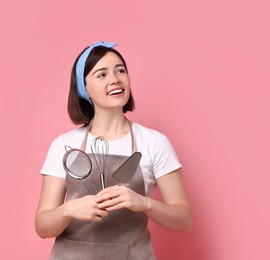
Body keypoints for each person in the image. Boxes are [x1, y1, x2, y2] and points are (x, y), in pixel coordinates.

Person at [35, 41, 193, 259]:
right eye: (102, 75)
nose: (115, 79)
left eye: (120, 70)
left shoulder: (154, 142)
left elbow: (184, 221)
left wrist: (143, 203)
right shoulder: (63, 145)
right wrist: (68, 210)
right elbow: (43, 227)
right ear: (84, 88)